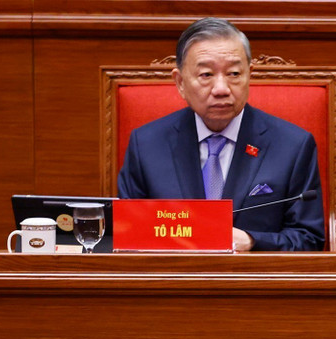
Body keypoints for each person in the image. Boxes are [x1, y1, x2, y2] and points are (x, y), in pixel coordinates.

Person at [117, 18, 324, 251]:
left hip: (253, 273)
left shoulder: (293, 146)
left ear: (249, 75)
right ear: (180, 82)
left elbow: (309, 240)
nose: (221, 89)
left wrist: (253, 242)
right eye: (206, 75)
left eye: (234, 73)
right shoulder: (146, 145)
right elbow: (128, 237)